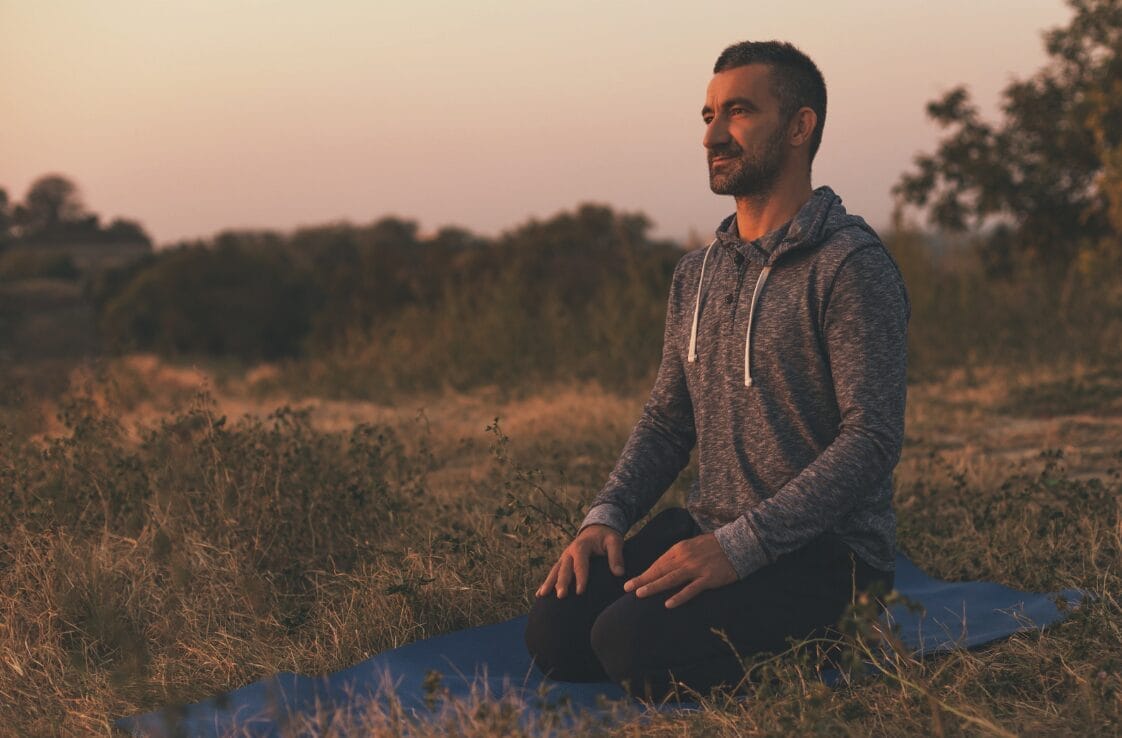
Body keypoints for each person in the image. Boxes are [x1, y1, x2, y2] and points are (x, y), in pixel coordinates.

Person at [523, 40, 910, 700]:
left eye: (737, 112)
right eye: (707, 116)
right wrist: (605, 516)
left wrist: (745, 546)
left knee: (629, 646)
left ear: (799, 126)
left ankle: (838, 631)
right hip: (710, 525)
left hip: (826, 556)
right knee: (557, 634)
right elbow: (669, 420)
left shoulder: (849, 265)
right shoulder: (697, 273)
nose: (713, 135)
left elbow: (870, 439)